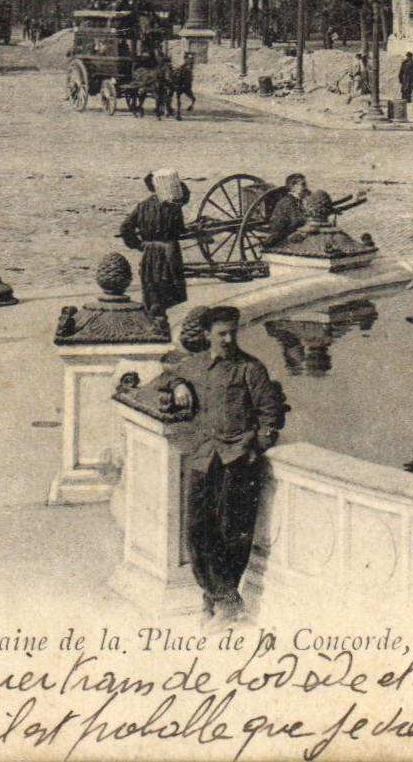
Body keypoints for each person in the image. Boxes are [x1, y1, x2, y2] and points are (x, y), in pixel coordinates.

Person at [163, 306, 290, 622]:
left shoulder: (250, 369)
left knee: (232, 532)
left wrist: (255, 448)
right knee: (197, 531)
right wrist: (178, 385)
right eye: (222, 333)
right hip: (202, 457)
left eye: (233, 332)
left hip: (236, 461)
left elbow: (270, 413)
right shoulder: (194, 366)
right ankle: (216, 596)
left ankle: (225, 601)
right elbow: (170, 373)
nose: (229, 339)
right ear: (207, 335)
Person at [118, 171, 189, 317]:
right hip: (169, 252)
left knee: (151, 286)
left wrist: (139, 245)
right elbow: (180, 229)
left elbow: (125, 228)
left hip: (149, 252)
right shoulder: (173, 207)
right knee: (170, 288)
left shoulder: (142, 206)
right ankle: (161, 318)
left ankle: (152, 316)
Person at [260, 174, 310, 250]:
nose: (306, 187)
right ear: (293, 186)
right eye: (303, 184)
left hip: (289, 234)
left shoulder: (295, 200)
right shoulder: (288, 201)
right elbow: (296, 221)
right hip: (281, 239)